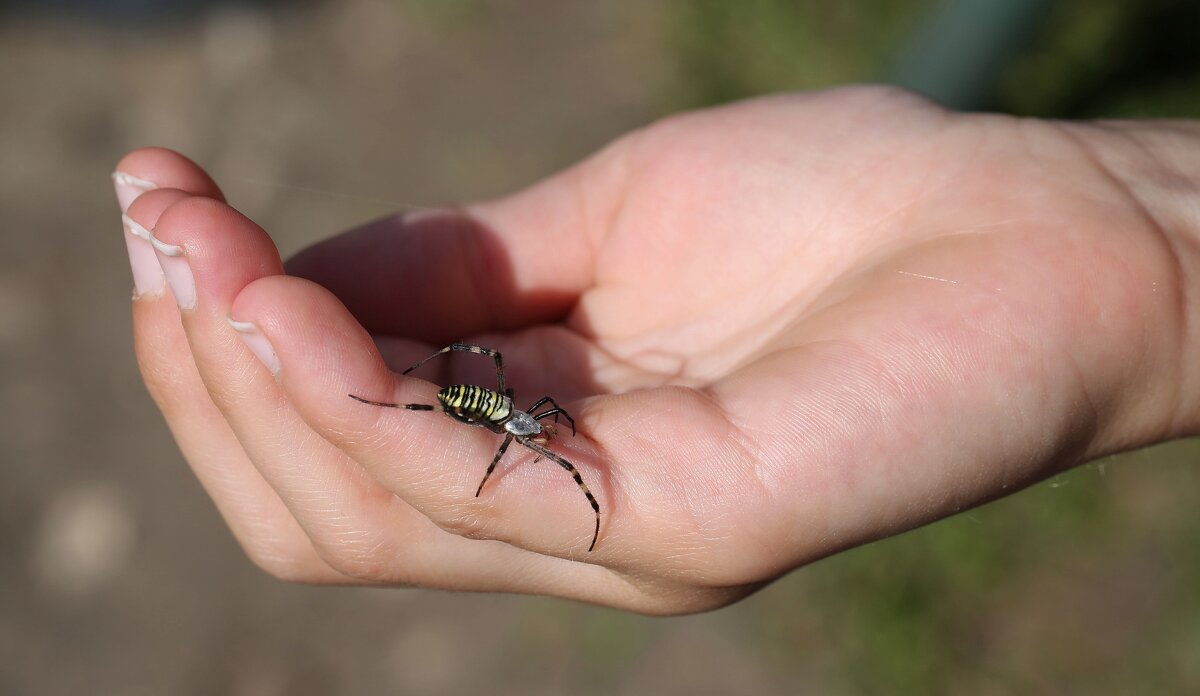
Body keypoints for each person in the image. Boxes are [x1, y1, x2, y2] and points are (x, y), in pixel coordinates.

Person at [113, 86, 1200, 614]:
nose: (555, 437)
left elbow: (547, 450)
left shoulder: (542, 427)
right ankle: (374, 414)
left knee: (482, 426)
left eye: (554, 436)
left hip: (492, 411)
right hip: (476, 409)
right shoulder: (512, 423)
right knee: (454, 412)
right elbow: (506, 436)